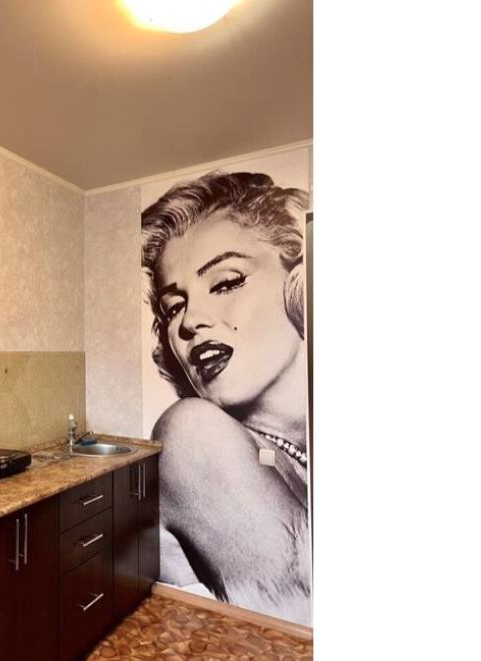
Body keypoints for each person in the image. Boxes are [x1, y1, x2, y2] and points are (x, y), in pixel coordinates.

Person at [141, 170, 311, 623]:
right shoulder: (192, 434)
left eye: (226, 282)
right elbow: (299, 631)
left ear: (300, 284)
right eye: (173, 306)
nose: (190, 320)